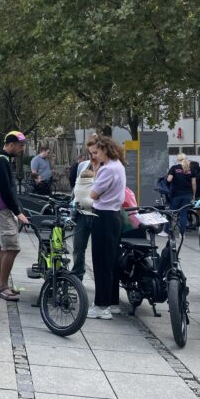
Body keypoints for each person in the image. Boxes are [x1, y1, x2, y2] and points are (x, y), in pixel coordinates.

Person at [87, 135, 127, 320]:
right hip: (114, 216)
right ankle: (112, 302)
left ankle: (102, 306)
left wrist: (96, 172)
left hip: (103, 216)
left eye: (96, 153)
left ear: (104, 149)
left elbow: (94, 194)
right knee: (111, 261)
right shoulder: (118, 165)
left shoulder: (107, 169)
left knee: (101, 262)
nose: (94, 156)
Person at [0, 131, 29, 301]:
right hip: (3, 208)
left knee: (1, 245)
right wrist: (17, 212)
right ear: (11, 144)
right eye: (20, 146)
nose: (22, 150)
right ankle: (3, 287)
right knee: (12, 247)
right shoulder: (2, 161)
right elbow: (6, 189)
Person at [71, 153, 97, 282]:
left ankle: (100, 278)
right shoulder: (83, 165)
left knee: (98, 249)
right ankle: (77, 276)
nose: (94, 154)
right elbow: (77, 185)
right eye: (92, 151)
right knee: (78, 247)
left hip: (98, 214)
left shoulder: (107, 167)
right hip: (81, 213)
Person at [167, 153, 196, 234]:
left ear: (177, 159)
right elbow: (193, 184)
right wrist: (193, 196)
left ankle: (166, 231)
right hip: (188, 194)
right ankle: (182, 233)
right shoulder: (190, 169)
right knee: (184, 214)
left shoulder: (174, 168)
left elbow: (169, 180)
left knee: (170, 213)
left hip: (176, 194)